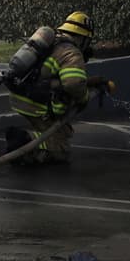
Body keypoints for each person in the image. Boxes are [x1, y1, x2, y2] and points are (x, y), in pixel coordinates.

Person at [5, 11, 95, 165]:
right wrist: (84, 97)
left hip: (20, 95)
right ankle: (23, 140)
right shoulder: (71, 53)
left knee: (63, 131)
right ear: (83, 38)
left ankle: (27, 142)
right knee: (60, 149)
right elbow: (74, 84)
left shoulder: (52, 42)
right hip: (36, 104)